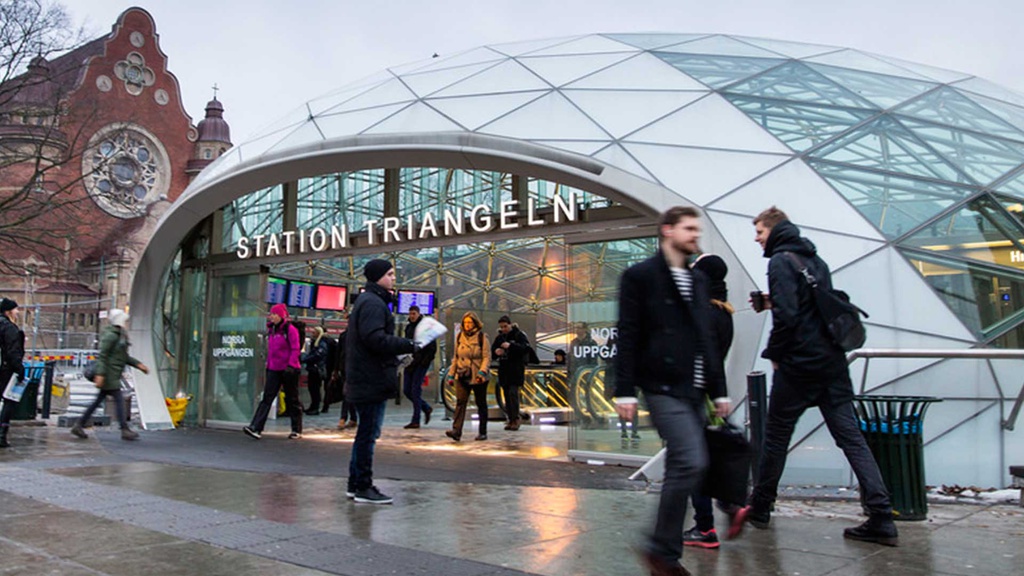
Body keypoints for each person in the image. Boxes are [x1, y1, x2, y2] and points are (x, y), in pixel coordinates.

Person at [737, 206, 898, 547]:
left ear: (775, 230)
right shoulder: (814, 259)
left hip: (799, 366)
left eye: (760, 231)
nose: (756, 238)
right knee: (851, 438)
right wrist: (771, 302)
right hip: (832, 364)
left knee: (776, 437)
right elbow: (813, 306)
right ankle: (881, 516)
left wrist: (775, 356)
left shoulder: (779, 261)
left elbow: (790, 318)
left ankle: (761, 506)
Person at [613, 206, 729, 576]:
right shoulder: (640, 276)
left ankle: (664, 553)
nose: (696, 235)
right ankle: (662, 549)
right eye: (689, 228)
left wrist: (719, 390)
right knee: (691, 460)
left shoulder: (696, 281)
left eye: (698, 228)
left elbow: (706, 340)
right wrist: (625, 391)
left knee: (689, 464)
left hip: (693, 388)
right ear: (668, 230)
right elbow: (628, 334)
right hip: (660, 385)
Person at [345, 259, 416, 504]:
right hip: (371, 379)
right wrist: (407, 344)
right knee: (368, 434)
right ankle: (364, 486)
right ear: (377, 277)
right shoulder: (374, 304)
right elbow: (375, 339)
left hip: (365, 378)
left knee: (364, 433)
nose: (393, 278)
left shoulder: (367, 301)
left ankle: (355, 484)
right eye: (389, 274)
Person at [683, 254, 736, 550]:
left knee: (694, 462)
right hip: (709, 394)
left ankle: (705, 527)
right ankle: (731, 501)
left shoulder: (702, 314)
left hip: (695, 393)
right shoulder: (724, 314)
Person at [70, 309, 148, 441]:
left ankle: (80, 424)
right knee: (118, 401)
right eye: (125, 321)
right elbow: (103, 356)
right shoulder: (112, 336)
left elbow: (122, 357)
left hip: (111, 374)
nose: (127, 323)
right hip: (109, 375)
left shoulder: (119, 335)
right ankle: (124, 429)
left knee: (98, 402)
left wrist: (138, 365)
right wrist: (100, 374)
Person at [243, 303, 303, 440]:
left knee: (292, 399)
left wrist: (291, 365)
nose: (272, 317)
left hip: (288, 369)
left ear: (281, 316)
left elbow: (295, 348)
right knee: (267, 398)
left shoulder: (290, 330)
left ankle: (296, 429)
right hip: (274, 369)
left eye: (274, 314)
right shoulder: (272, 330)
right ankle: (256, 427)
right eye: (271, 314)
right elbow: (271, 351)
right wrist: (269, 366)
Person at [445, 312, 490, 442]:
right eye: (465, 323)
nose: (467, 325)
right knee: (460, 402)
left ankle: (482, 431)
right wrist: (451, 375)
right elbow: (456, 358)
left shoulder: (482, 338)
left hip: (477, 375)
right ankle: (456, 430)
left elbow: (486, 357)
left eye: (470, 322)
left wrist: (482, 372)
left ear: (475, 323)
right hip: (462, 374)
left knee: (480, 403)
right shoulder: (459, 337)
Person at [491, 315, 530, 431]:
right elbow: (493, 351)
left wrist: (511, 346)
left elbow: (525, 348)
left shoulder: (519, 335)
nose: (503, 329)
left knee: (513, 394)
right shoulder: (500, 338)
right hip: (504, 370)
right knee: (507, 395)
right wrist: (496, 352)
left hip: (515, 370)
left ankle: (515, 418)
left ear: (510, 324)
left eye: (505, 326)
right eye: (501, 327)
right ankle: (511, 418)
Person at [402, 305, 436, 429]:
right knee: (407, 390)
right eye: (410, 314)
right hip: (411, 362)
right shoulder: (408, 327)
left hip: (420, 363)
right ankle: (426, 408)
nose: (411, 316)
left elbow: (432, 348)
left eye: (414, 314)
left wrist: (424, 362)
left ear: (418, 314)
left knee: (415, 391)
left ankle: (416, 420)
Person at [0, 298, 25, 448]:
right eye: (15, 309)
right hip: (5, 369)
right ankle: (2, 434)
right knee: (9, 401)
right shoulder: (9, 328)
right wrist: (19, 369)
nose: (17, 312)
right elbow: (12, 351)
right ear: (8, 311)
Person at [301, 325, 329, 415]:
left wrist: (304, 358)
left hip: (316, 370)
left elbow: (317, 355)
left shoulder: (321, 344)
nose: (312, 334)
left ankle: (315, 408)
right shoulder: (317, 343)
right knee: (312, 389)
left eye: (314, 332)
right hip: (314, 369)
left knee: (315, 389)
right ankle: (313, 407)